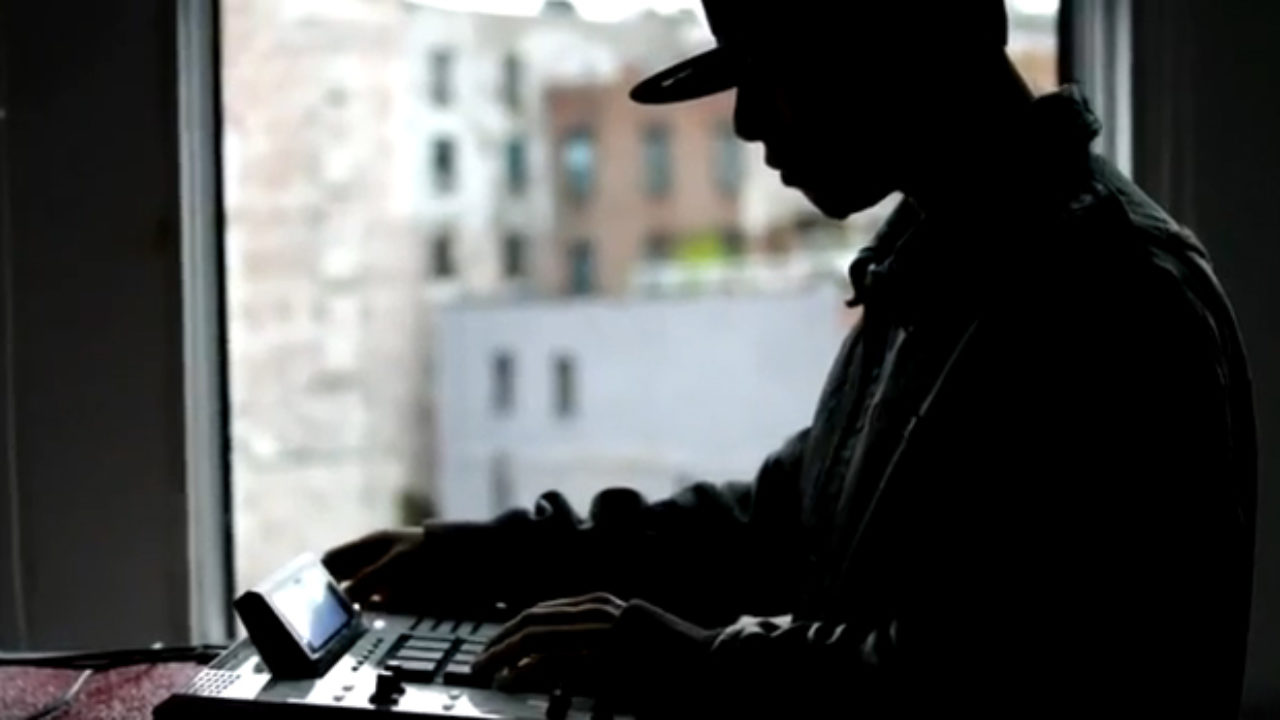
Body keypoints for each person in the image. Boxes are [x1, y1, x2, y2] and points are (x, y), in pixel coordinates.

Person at [324, 1, 1256, 716]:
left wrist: (692, 664)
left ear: (906, 38)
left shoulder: (1114, 300)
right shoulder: (947, 258)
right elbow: (783, 524)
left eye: (778, 69)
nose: (745, 123)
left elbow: (1000, 683)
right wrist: (488, 557)